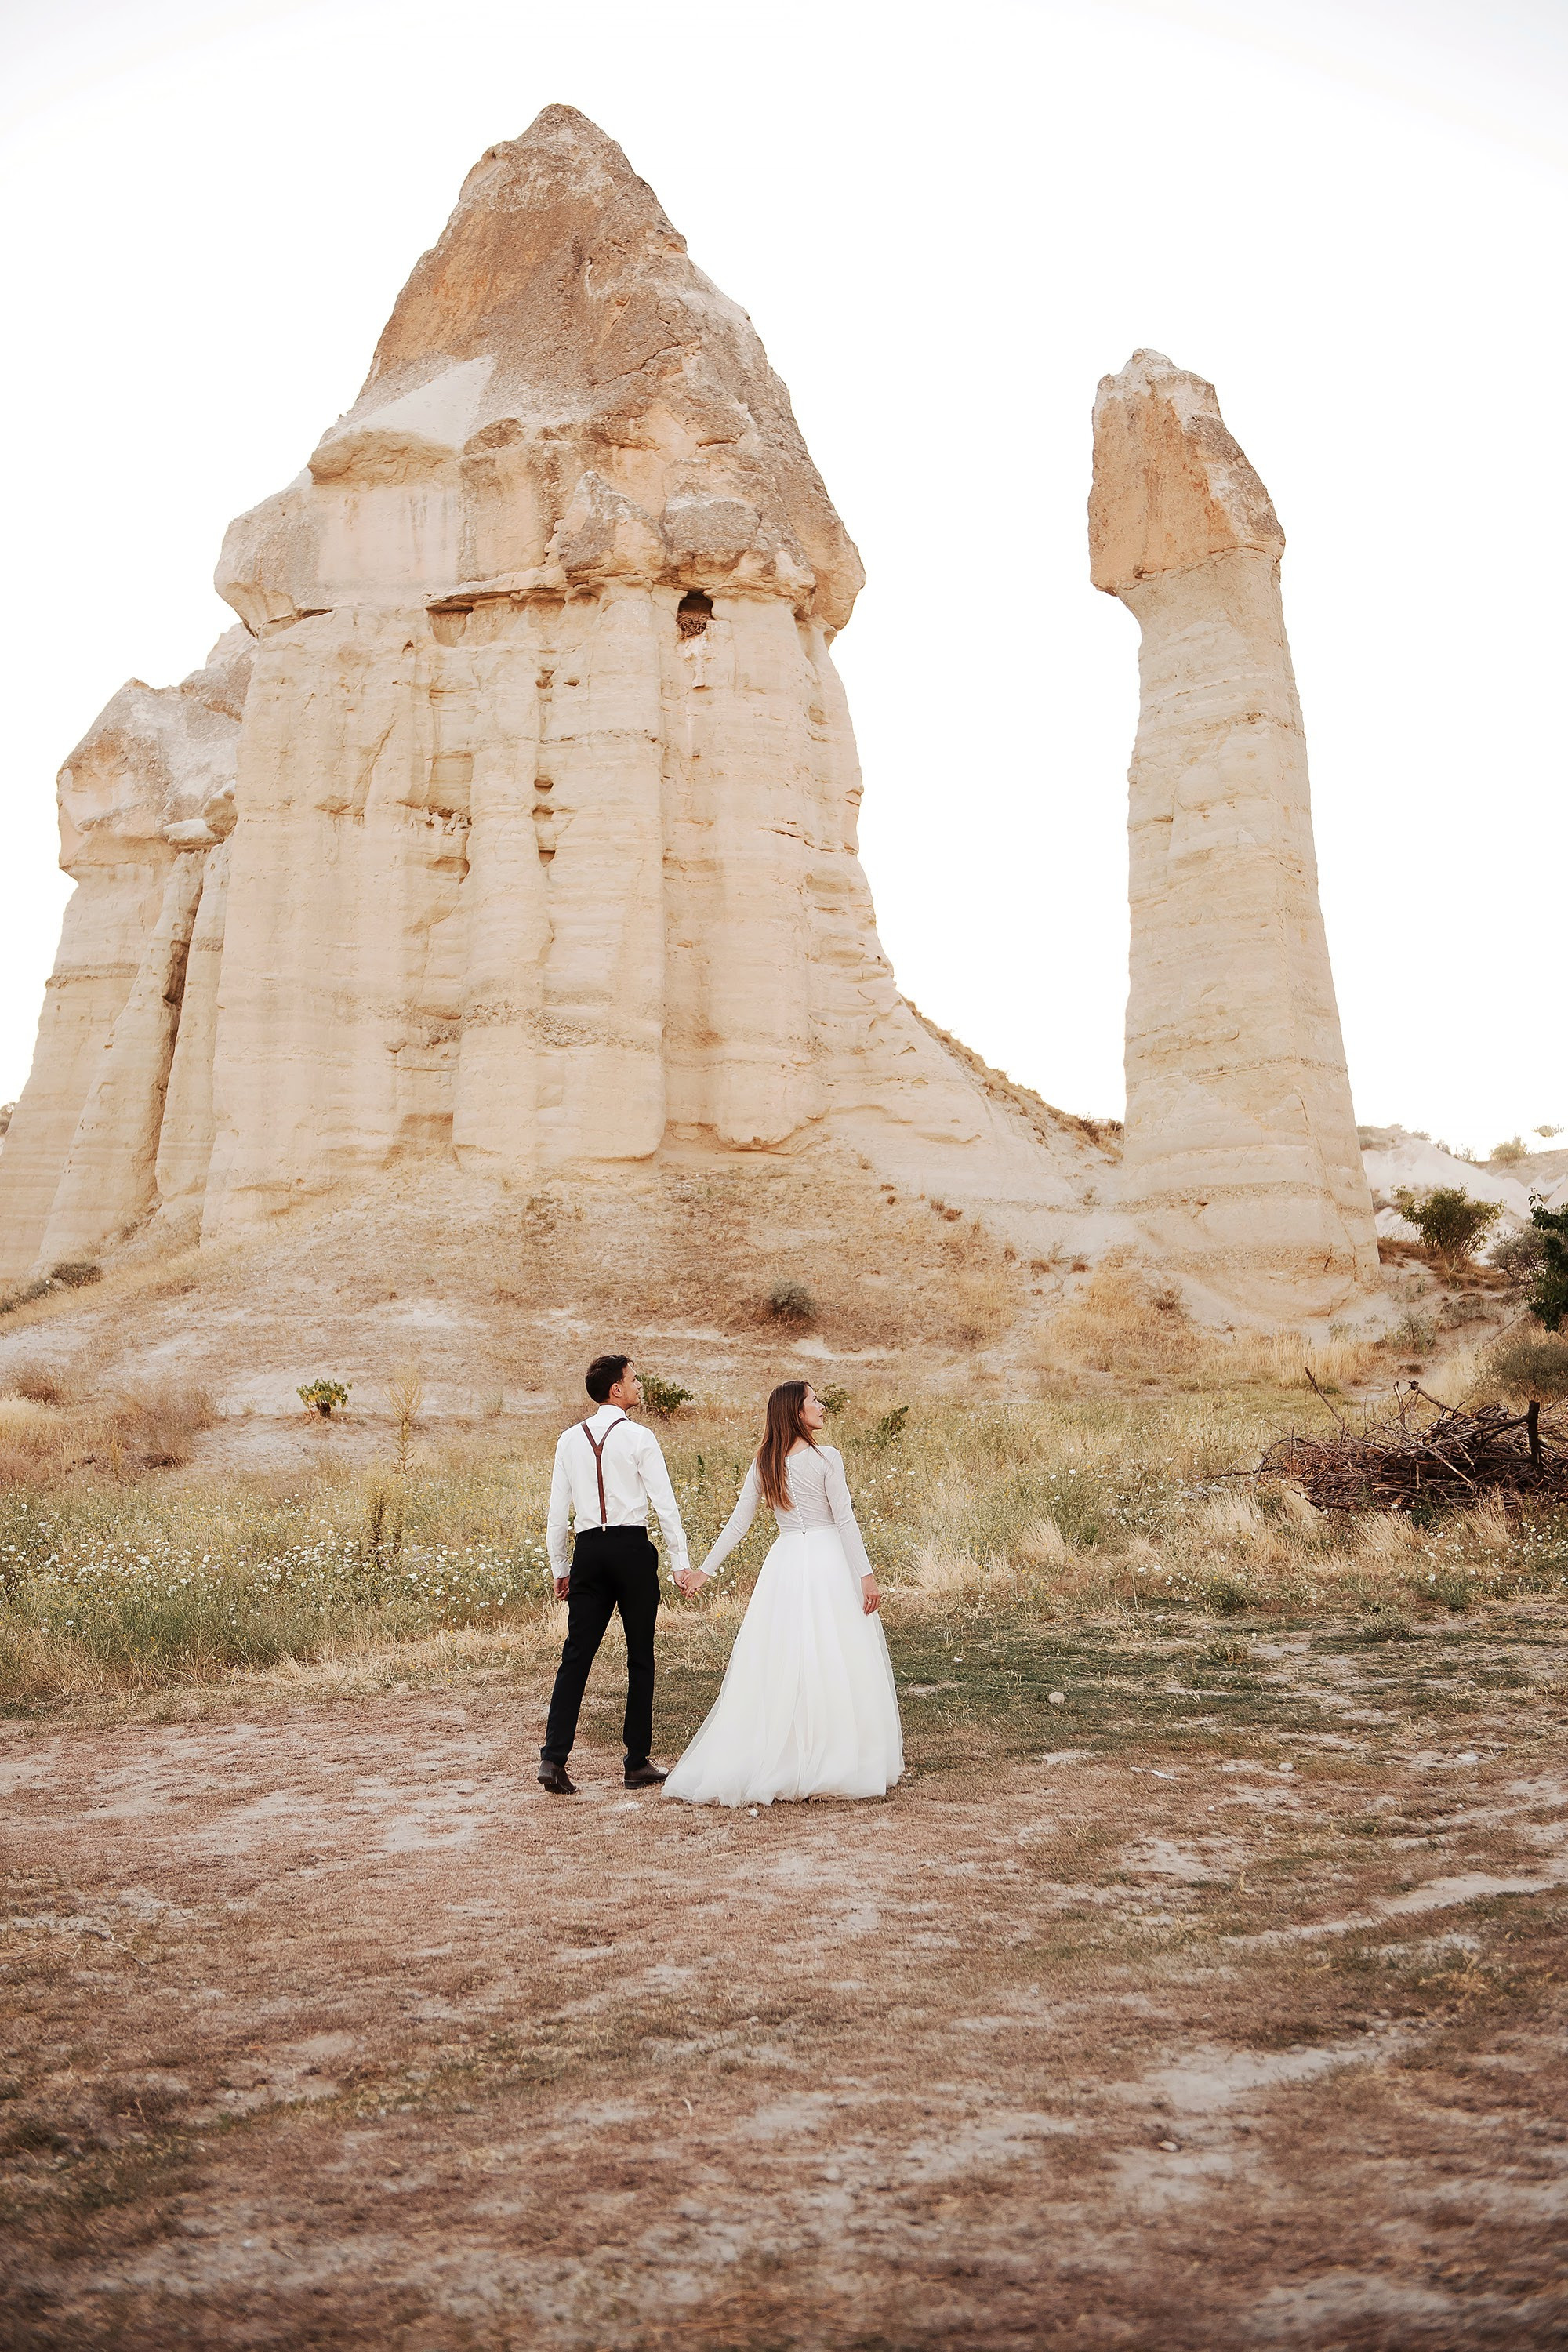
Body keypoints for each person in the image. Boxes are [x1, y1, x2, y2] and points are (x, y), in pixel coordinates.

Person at [663, 1381, 903, 1808]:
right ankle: (834, 1755)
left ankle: (793, 1752)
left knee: (788, 1657)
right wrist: (866, 1575)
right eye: (814, 1400)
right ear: (796, 1411)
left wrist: (704, 1571)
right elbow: (845, 1521)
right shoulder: (827, 1458)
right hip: (828, 1562)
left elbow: (738, 1524)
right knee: (836, 1654)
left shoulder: (765, 1462)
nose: (821, 1406)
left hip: (787, 1563)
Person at [539, 1354, 691, 1795]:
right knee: (640, 1656)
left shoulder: (569, 1439)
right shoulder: (640, 1436)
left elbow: (557, 1512)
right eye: (634, 1379)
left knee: (576, 1655)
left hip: (589, 1552)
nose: (639, 1385)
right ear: (616, 1389)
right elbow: (665, 1504)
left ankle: (553, 1759)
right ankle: (636, 1762)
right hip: (631, 1549)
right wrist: (679, 1562)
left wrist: (561, 1566)